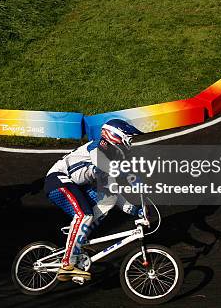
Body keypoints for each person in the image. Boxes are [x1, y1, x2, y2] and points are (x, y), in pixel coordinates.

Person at [44, 119, 145, 281]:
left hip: (75, 185)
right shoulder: (99, 145)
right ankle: (67, 265)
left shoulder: (111, 155)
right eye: (128, 137)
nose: (130, 142)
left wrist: (134, 210)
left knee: (108, 200)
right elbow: (102, 163)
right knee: (84, 215)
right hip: (58, 180)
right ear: (116, 135)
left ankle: (78, 239)